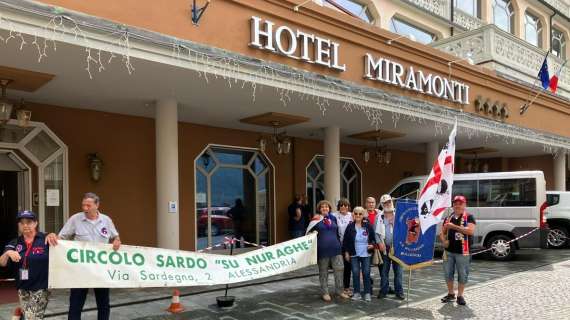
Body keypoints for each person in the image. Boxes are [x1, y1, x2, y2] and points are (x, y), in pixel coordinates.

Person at [46, 193, 121, 320]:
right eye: (83, 205)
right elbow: (61, 237)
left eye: (88, 205)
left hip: (101, 268)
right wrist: (52, 236)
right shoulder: (75, 219)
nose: (85, 208)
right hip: (80, 269)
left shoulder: (106, 220)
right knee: (76, 303)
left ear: (97, 205)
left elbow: (115, 236)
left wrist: (117, 241)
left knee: (103, 303)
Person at [0, 211, 51, 319]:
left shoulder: (45, 239)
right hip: (22, 287)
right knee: (32, 315)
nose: (25, 225)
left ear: (36, 223)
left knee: (31, 316)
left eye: (29, 222)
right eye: (21, 223)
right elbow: (2, 263)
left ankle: (17, 315)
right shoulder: (15, 242)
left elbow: (61, 248)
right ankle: (18, 314)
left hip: (41, 287)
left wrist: (55, 235)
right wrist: (8, 253)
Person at [306, 200, 349, 302]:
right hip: (322, 250)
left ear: (329, 208)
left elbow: (338, 232)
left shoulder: (333, 218)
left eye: (326, 207)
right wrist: (312, 233)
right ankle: (325, 292)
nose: (325, 208)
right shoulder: (315, 220)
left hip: (336, 249)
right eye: (322, 207)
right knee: (323, 272)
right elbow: (308, 235)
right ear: (319, 209)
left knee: (339, 269)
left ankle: (339, 291)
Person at [439, 195, 476, 306]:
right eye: (455, 203)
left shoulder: (469, 217)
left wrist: (454, 227)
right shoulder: (448, 218)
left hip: (463, 252)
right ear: (453, 205)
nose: (457, 205)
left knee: (462, 274)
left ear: (464, 205)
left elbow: (470, 231)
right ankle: (451, 294)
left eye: (460, 203)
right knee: (448, 273)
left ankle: (460, 295)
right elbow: (442, 233)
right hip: (449, 251)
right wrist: (444, 241)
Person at [342, 206, 376, 302]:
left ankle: (367, 293)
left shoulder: (368, 226)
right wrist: (346, 253)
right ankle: (357, 293)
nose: (358, 215)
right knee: (355, 273)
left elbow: (373, 238)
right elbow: (346, 241)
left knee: (366, 273)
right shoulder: (350, 226)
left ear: (363, 215)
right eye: (356, 213)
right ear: (353, 214)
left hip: (366, 253)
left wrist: (372, 245)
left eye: (360, 214)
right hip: (354, 253)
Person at [377, 203, 405, 300]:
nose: (387, 204)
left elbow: (404, 229)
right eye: (385, 203)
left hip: (397, 248)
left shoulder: (399, 214)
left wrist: (395, 224)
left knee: (398, 272)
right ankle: (384, 291)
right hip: (385, 248)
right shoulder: (380, 216)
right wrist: (379, 242)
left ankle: (399, 292)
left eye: (389, 202)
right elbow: (376, 232)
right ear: (382, 204)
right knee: (384, 272)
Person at [333, 198, 353, 296]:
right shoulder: (334, 215)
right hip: (338, 245)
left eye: (345, 205)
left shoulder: (352, 215)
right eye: (341, 205)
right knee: (339, 267)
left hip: (349, 245)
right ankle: (339, 287)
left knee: (348, 267)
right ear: (338, 207)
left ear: (348, 207)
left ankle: (346, 287)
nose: (343, 207)